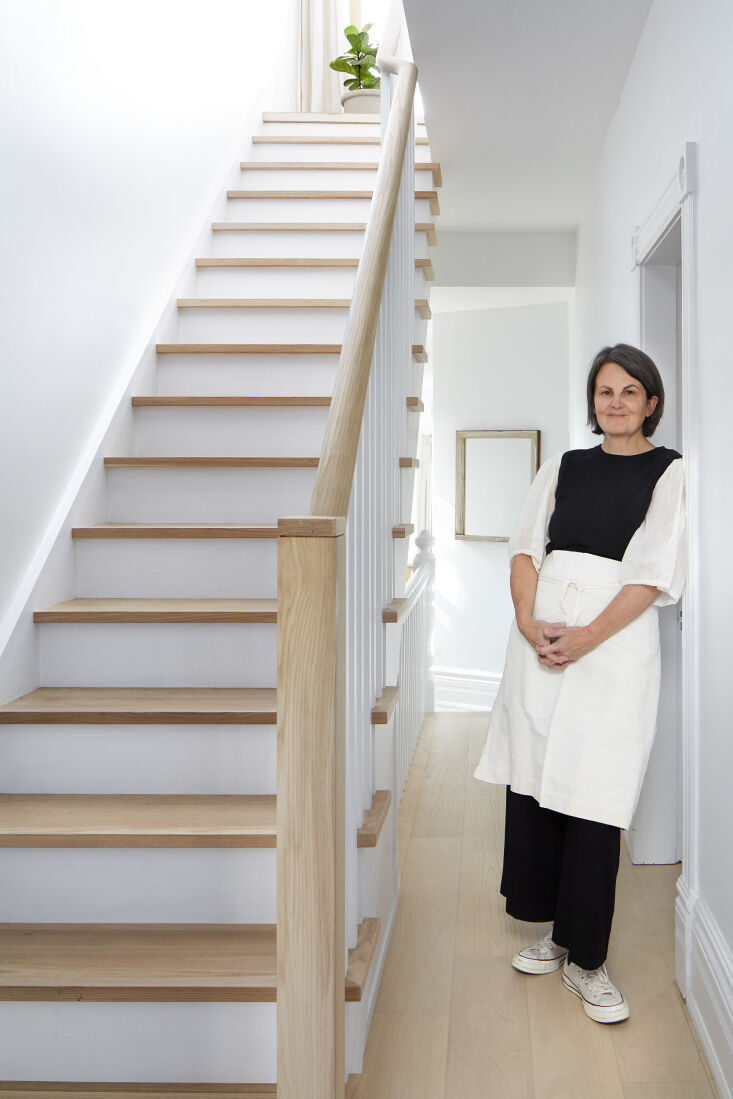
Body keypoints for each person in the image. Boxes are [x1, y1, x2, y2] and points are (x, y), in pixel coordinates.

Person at [474, 343, 687, 1024]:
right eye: (604, 392)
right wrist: (528, 620)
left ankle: (588, 961)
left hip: (613, 643)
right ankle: (555, 933)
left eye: (629, 391)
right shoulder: (563, 464)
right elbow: (522, 548)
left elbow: (651, 572)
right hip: (539, 638)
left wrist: (587, 635)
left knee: (595, 790)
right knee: (539, 780)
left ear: (650, 402)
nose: (615, 402)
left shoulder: (669, 471)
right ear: (591, 403)